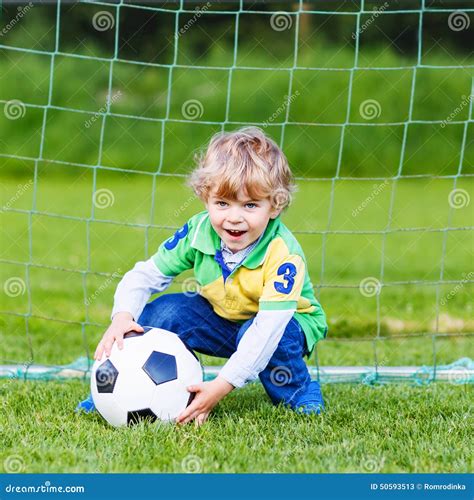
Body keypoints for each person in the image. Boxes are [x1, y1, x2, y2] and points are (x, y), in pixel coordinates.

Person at [77, 127, 328, 425]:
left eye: (250, 205)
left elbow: (267, 330)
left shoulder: (283, 254)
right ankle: (116, 391)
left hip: (285, 325)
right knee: (163, 312)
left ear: (275, 206)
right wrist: (122, 316)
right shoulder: (198, 232)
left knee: (264, 335)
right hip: (224, 317)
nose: (234, 217)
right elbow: (144, 275)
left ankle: (298, 391)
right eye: (222, 203)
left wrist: (221, 386)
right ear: (204, 196)